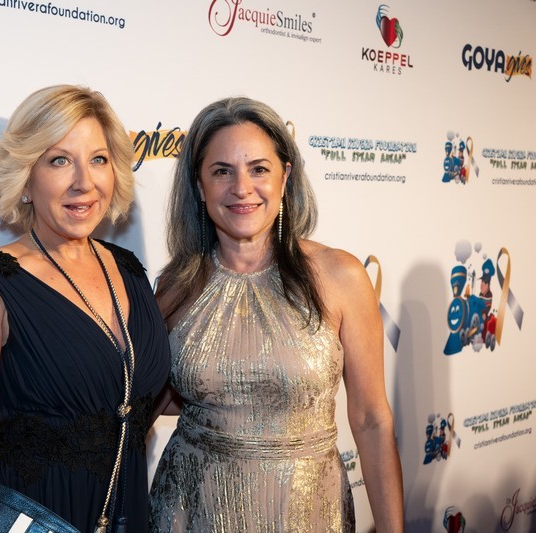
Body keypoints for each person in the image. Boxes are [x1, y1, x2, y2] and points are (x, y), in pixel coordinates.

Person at [149, 97, 403, 532]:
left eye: (258, 169)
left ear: (285, 177)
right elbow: (153, 401)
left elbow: (371, 420)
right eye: (222, 171)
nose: (242, 188)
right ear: (199, 185)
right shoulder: (175, 287)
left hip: (306, 513)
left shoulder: (340, 276)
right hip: (190, 512)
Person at [0, 85, 170, 532]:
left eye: (98, 159)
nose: (84, 182)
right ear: (26, 179)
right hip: (32, 518)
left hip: (128, 512)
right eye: (59, 161)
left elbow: (135, 399)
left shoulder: (129, 269)